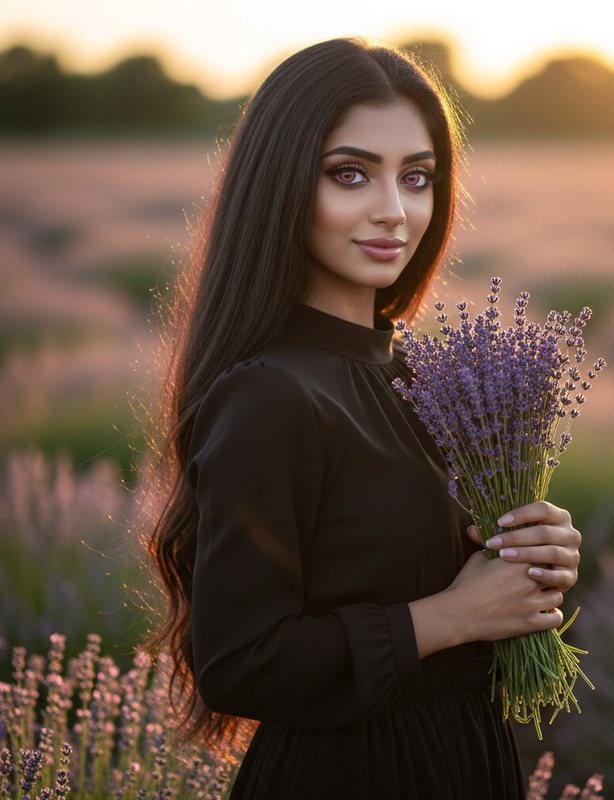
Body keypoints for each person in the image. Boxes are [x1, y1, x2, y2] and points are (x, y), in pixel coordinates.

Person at [146, 37, 581, 800]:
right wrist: (449, 616)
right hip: (352, 772)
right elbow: (240, 662)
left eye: (417, 178)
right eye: (350, 174)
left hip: (468, 761)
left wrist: (531, 556)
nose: (394, 211)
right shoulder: (270, 394)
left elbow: (451, 575)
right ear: (280, 185)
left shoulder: (431, 380)